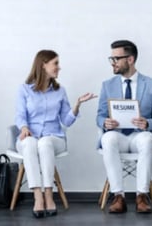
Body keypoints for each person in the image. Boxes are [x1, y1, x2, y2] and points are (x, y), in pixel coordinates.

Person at [15, 49, 96, 218]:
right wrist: (23, 127)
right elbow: (20, 115)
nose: (59, 68)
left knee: (44, 143)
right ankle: (38, 197)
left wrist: (77, 104)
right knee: (30, 143)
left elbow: (66, 121)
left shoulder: (60, 91)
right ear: (43, 65)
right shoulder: (24, 90)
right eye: (56, 63)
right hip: (29, 136)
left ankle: (49, 195)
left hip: (54, 138)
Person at [96, 40, 152, 214]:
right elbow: (99, 115)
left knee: (148, 139)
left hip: (139, 135)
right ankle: (118, 196)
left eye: (116, 59)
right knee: (107, 138)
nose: (113, 63)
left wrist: (148, 123)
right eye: (111, 59)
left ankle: (141, 196)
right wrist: (105, 122)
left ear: (130, 59)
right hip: (118, 136)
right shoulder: (108, 85)